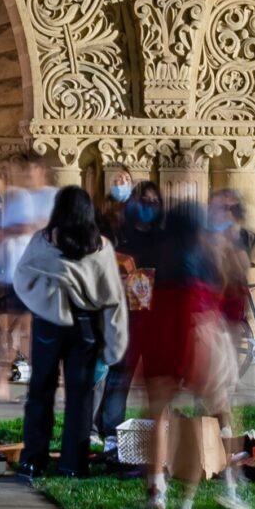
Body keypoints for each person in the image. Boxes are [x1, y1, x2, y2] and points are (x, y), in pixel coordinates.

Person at [135, 202, 250, 509]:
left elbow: (140, 298)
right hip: (200, 335)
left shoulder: (156, 252)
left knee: (157, 414)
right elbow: (223, 300)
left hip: (162, 334)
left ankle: (156, 491)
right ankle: (230, 486)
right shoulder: (208, 256)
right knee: (221, 412)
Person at [11, 185, 127, 478]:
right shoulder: (101, 247)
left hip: (48, 324)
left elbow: (22, 277)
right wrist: (115, 342)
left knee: (40, 392)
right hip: (86, 327)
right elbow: (113, 297)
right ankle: (73, 463)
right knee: (80, 397)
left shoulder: (45, 240)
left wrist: (46, 302)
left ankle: (33, 458)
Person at [93, 180, 165, 442]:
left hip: (154, 317)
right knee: (119, 376)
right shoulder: (117, 234)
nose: (148, 206)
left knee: (156, 382)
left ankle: (152, 436)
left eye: (154, 201)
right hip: (123, 316)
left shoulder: (162, 238)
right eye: (143, 200)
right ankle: (111, 432)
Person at [0, 153, 55, 402]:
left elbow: (51, 230)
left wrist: (31, 228)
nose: (27, 173)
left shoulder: (51, 197)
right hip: (10, 272)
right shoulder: (12, 197)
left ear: (41, 171)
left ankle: (35, 386)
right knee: (5, 330)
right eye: (23, 169)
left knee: (30, 331)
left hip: (38, 274)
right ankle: (2, 384)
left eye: (31, 169)